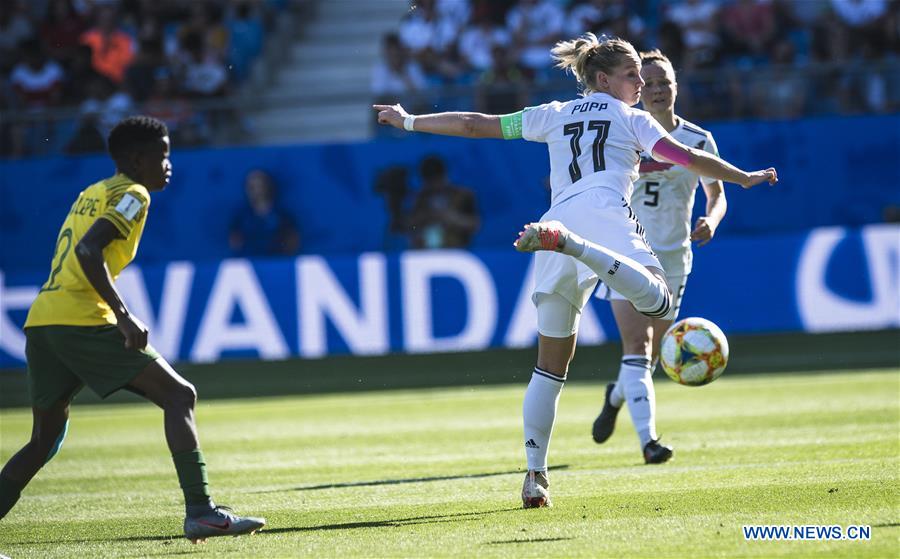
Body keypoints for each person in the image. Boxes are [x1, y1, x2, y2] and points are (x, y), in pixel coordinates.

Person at [373, 32, 777, 508]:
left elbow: (471, 123)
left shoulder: (554, 114)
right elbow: (685, 157)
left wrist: (409, 119)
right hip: (601, 220)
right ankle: (577, 248)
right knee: (660, 301)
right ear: (604, 79)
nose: (640, 85)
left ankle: (534, 475)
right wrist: (743, 176)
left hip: (553, 221)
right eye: (632, 76)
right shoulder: (631, 118)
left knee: (549, 368)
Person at [0, 116, 265, 543]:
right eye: (161, 154)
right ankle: (201, 512)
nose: (168, 163)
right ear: (136, 160)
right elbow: (89, 250)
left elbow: (78, 248)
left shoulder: (93, 191)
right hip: (81, 320)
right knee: (180, 396)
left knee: (41, 443)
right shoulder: (133, 194)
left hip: (44, 321)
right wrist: (122, 314)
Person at [590, 49, 726, 465]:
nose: (659, 90)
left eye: (666, 81)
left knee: (649, 357)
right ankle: (649, 442)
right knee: (638, 342)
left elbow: (716, 193)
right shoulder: (623, 133)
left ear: (676, 86)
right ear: (638, 89)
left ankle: (615, 398)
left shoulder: (697, 140)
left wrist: (712, 220)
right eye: (650, 83)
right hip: (626, 251)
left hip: (673, 259)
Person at [408, 155, 480, 249]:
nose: (434, 186)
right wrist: (423, 219)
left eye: (437, 180)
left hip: (457, 252)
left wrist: (454, 219)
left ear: (444, 176)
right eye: (430, 182)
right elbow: (410, 227)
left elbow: (475, 225)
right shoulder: (418, 199)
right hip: (425, 254)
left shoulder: (463, 195)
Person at [229, 169, 300, 256]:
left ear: (268, 186)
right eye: (251, 186)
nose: (254, 191)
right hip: (249, 263)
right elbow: (235, 244)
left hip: (277, 263)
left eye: (259, 186)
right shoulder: (241, 218)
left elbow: (292, 243)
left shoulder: (283, 217)